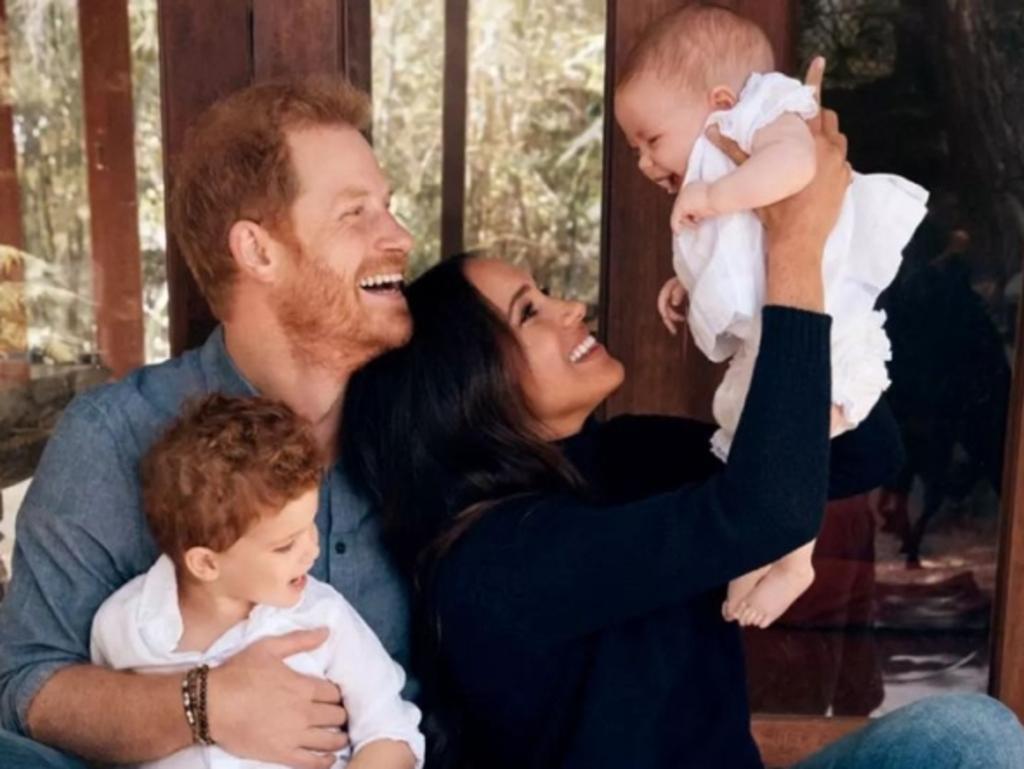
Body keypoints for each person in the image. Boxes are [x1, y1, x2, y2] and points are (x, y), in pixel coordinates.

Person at [339, 71, 1024, 768]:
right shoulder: (494, 563)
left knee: (969, 734)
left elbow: (861, 453)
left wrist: (771, 271)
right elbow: (767, 512)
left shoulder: (624, 453)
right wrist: (794, 251)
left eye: (545, 292)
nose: (569, 307)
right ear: (466, 391)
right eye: (529, 312)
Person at [0, 76, 414, 769]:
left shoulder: (417, 421)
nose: (398, 236)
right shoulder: (113, 436)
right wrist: (204, 704)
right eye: (355, 213)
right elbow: (23, 684)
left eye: (389, 207)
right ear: (256, 250)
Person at [613, 5, 929, 627]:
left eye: (651, 141)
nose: (647, 164)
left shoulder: (769, 116)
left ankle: (793, 560)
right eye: (634, 151)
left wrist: (714, 194)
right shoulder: (722, 160)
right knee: (750, 434)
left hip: (827, 324)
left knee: (792, 438)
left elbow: (796, 168)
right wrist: (687, 284)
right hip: (779, 328)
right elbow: (743, 252)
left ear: (721, 101)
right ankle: (763, 549)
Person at [90, 394, 424, 769]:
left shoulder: (322, 618)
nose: (311, 550)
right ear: (205, 563)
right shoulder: (122, 625)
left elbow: (390, 731)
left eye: (311, 525)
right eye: (285, 545)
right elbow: (101, 740)